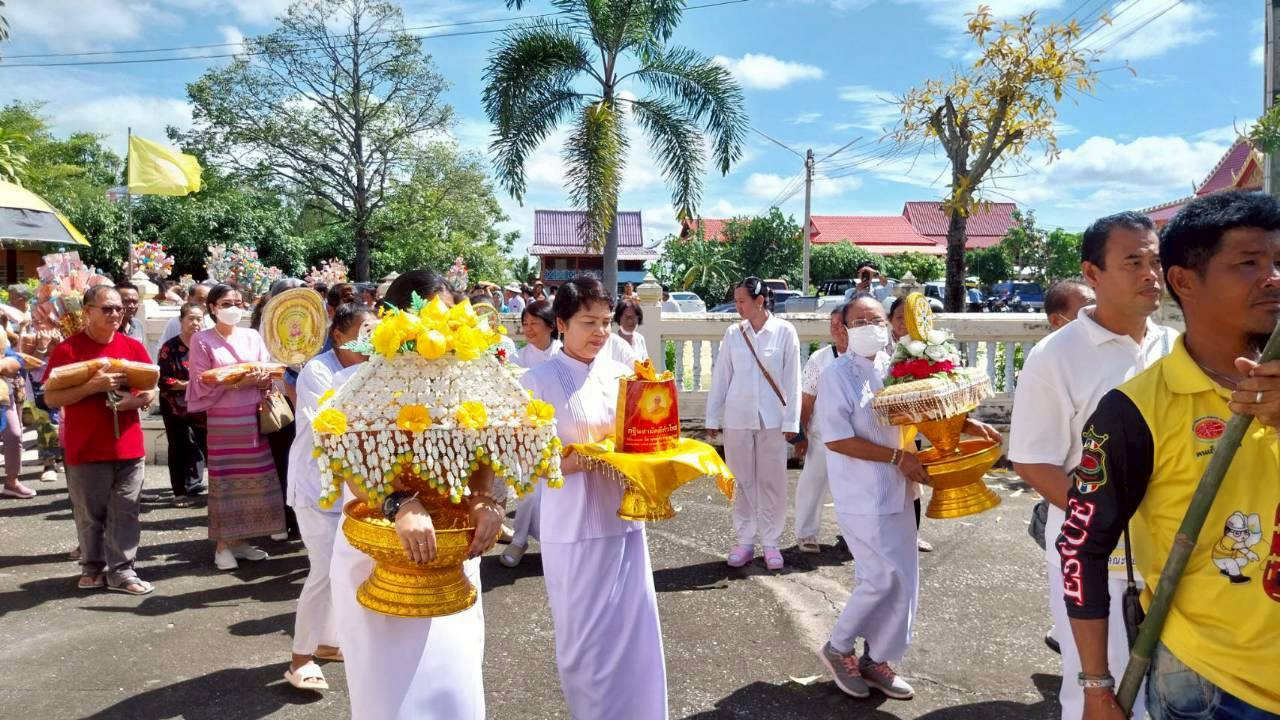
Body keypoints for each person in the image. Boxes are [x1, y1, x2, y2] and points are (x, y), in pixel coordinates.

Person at [1058, 190, 1280, 720]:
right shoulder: (1135, 410)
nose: (1273, 277)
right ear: (1183, 281)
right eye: (1248, 263)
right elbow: (1081, 546)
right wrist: (1095, 686)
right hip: (1218, 686)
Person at [1010, 211, 1178, 720]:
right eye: (1133, 262)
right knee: (1096, 693)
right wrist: (1105, 514)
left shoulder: (1175, 349)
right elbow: (1033, 461)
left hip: (1172, 554)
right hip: (1097, 558)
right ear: (1092, 273)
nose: (1151, 274)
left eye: (1156, 260)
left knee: (1169, 694)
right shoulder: (1055, 356)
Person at [329, 269, 502, 720]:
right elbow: (353, 469)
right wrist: (398, 503)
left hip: (451, 553)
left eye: (451, 321)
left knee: (457, 694)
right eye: (434, 320)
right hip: (380, 554)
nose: (445, 333)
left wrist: (483, 499)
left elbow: (482, 453)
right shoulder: (363, 384)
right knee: (391, 703)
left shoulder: (468, 378)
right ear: (399, 322)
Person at [816, 293, 998, 701]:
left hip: (902, 488)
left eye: (877, 319)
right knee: (879, 578)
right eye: (860, 321)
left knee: (904, 581)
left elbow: (925, 411)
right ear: (844, 328)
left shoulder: (896, 367)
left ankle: (877, 659)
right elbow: (838, 439)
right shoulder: (836, 375)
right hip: (861, 493)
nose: (871, 327)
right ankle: (838, 646)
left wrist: (968, 424)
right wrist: (897, 456)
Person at [521, 277, 668, 717]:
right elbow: (531, 461)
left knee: (634, 633)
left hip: (624, 523)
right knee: (585, 641)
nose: (601, 332)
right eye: (589, 322)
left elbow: (644, 438)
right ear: (562, 323)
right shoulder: (537, 381)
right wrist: (587, 459)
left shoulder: (623, 375)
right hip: (573, 529)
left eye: (606, 322)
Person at [43, 285, 158, 595]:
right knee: (91, 514)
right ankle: (92, 568)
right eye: (107, 308)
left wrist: (132, 402)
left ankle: (122, 571)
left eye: (119, 308)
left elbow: (149, 390)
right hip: (86, 446)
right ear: (88, 312)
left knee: (127, 509)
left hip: (128, 445)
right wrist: (92, 386)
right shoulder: (68, 350)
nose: (115, 314)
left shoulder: (132, 347)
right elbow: (51, 398)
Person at [283, 301, 373, 692]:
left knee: (350, 568)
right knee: (323, 571)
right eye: (364, 332)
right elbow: (331, 419)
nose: (372, 340)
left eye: (378, 332)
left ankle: (330, 641)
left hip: (356, 486)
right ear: (338, 335)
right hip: (317, 488)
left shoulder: (373, 369)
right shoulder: (316, 371)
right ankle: (300, 659)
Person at [185, 283, 284, 570]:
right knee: (226, 482)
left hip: (254, 418)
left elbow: (269, 371)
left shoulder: (253, 336)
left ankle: (241, 540)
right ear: (212, 308)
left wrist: (263, 380)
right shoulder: (202, 340)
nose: (233, 308)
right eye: (226, 303)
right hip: (224, 421)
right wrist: (240, 382)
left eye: (238, 303)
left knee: (255, 481)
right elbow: (202, 380)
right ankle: (222, 545)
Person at [705, 276, 801, 570]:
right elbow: (721, 376)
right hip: (737, 418)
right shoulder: (733, 334)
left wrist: (792, 420)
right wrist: (712, 416)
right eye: (735, 301)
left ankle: (771, 543)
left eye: (742, 301)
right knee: (741, 481)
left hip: (773, 420)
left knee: (772, 482)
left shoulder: (785, 332)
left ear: (760, 301)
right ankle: (744, 541)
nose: (737, 306)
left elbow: (792, 379)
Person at [500, 300, 561, 568]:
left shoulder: (563, 354)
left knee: (561, 493)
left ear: (552, 325)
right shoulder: (517, 359)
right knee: (529, 490)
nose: (528, 329)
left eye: (534, 323)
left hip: (563, 431)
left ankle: (557, 542)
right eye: (525, 323)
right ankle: (520, 539)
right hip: (530, 434)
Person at [793, 304, 847, 553]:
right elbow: (806, 400)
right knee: (812, 485)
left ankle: (853, 535)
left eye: (841, 324)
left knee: (853, 490)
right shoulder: (820, 358)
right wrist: (801, 435)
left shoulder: (870, 357)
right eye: (832, 324)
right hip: (821, 435)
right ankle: (806, 534)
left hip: (856, 439)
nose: (835, 329)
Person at [888, 296, 936, 554]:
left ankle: (912, 535)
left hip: (913, 427)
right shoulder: (880, 349)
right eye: (898, 319)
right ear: (889, 321)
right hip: (883, 426)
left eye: (910, 319)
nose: (904, 325)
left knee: (912, 482)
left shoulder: (929, 349)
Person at [157, 302, 209, 507]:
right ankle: (180, 491)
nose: (195, 323)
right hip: (175, 406)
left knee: (201, 444)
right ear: (181, 321)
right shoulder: (170, 348)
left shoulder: (205, 345)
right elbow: (164, 380)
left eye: (199, 319)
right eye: (191, 318)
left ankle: (195, 485)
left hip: (202, 405)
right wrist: (188, 385)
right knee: (179, 446)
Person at [0, 340, 30, 499]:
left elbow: (17, 362)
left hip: (3, 395)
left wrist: (4, 363)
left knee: (14, 434)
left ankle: (12, 482)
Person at [155, 280, 214, 359]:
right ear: (190, 298)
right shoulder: (174, 322)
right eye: (200, 299)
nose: (204, 304)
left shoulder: (213, 323)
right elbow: (163, 350)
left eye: (207, 301)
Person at [613, 297, 649, 361]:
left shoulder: (640, 339)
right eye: (626, 317)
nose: (630, 321)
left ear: (638, 318)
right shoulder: (611, 342)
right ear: (619, 318)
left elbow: (645, 364)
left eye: (633, 317)